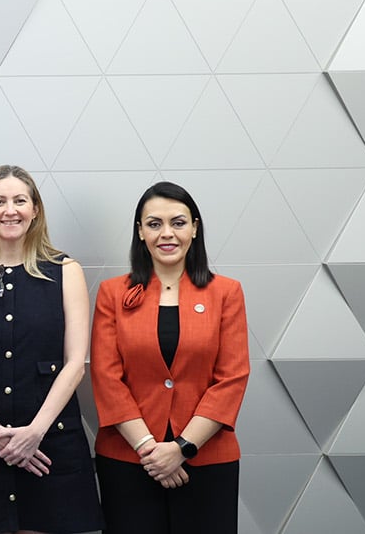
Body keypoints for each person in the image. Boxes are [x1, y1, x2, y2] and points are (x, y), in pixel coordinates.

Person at [0, 165, 103, 533]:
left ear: (36, 209)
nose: (10, 210)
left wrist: (34, 433)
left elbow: (75, 363)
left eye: (19, 200)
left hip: (49, 444)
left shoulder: (65, 271)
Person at [91, 181, 249, 532]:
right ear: (140, 232)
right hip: (129, 459)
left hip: (207, 459)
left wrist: (181, 447)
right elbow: (106, 377)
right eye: (154, 224)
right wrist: (151, 450)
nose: (167, 233)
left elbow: (232, 378)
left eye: (178, 222)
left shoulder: (226, 293)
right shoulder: (112, 293)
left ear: (195, 228)